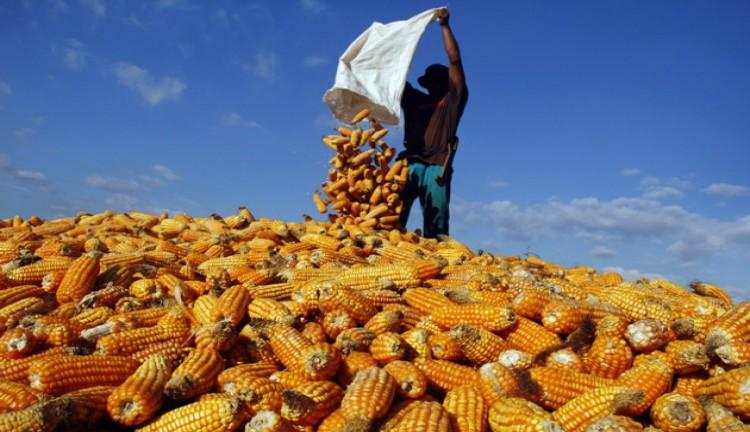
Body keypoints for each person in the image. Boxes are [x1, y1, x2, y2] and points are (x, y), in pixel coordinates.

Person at [398, 7, 468, 238]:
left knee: (436, 218)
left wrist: (444, 26)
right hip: (410, 162)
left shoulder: (452, 102)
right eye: (430, 82)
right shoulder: (415, 100)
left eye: (439, 81)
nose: (433, 85)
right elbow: (394, 77)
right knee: (392, 209)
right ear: (426, 84)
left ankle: (437, 253)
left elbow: (455, 61)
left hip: (437, 163)